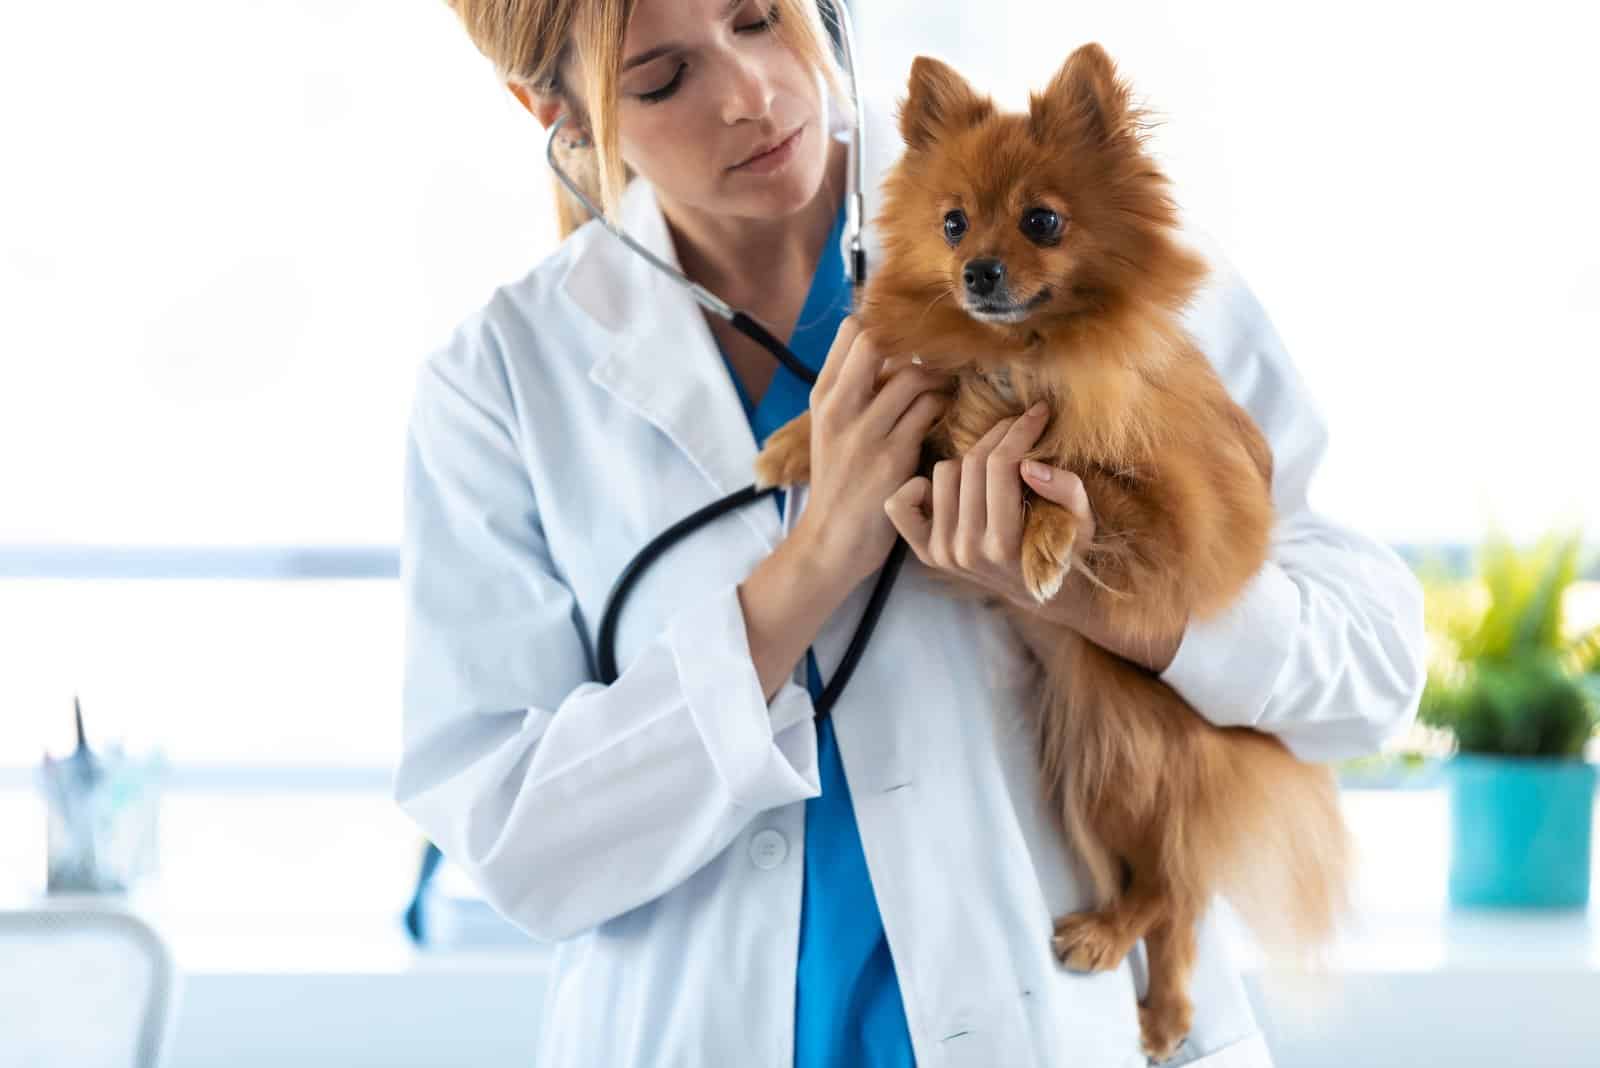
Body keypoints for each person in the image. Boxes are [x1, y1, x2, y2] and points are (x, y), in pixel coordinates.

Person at [394, 1, 1428, 1065]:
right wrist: (808, 567)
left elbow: (1376, 665)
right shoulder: (501, 384)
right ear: (553, 109)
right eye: (663, 79)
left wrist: (1102, 598)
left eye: (757, 19)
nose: (750, 94)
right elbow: (517, 845)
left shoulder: (1104, 261)